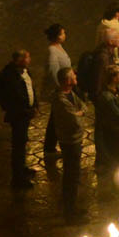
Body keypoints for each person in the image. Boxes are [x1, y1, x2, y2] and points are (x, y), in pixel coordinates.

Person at [0, 49, 38, 188]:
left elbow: (30, 88)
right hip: (18, 115)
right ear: (20, 60)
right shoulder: (9, 75)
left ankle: (22, 168)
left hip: (26, 113)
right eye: (27, 58)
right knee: (18, 145)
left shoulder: (25, 71)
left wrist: (35, 105)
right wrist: (9, 107)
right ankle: (18, 179)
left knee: (22, 141)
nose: (29, 60)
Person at [50, 68, 87, 222]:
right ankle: (70, 211)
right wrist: (79, 114)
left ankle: (70, 204)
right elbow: (75, 120)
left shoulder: (70, 94)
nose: (76, 76)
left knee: (73, 173)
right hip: (69, 141)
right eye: (73, 75)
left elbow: (83, 106)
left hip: (75, 139)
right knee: (71, 174)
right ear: (67, 81)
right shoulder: (61, 100)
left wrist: (79, 112)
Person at [41, 23, 71, 162]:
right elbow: (53, 72)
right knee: (55, 120)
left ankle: (50, 147)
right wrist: (61, 88)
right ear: (58, 36)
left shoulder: (58, 47)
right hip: (58, 90)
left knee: (55, 118)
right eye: (63, 33)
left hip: (62, 87)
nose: (65, 35)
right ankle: (49, 148)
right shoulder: (52, 51)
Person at [97, 3, 119, 83]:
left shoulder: (101, 25)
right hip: (118, 63)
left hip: (105, 62)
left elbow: (97, 43)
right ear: (117, 13)